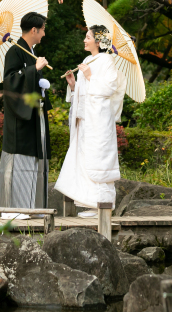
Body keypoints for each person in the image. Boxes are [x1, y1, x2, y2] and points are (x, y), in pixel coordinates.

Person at [55, 25, 126, 218]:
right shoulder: (88, 59)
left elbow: (110, 88)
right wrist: (73, 84)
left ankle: (103, 205)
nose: (84, 40)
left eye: (88, 37)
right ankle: (91, 203)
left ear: (98, 41)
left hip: (99, 120)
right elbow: (85, 91)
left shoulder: (107, 60)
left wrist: (89, 76)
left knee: (99, 158)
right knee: (85, 158)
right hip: (86, 119)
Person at [0, 12, 52, 220]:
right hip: (20, 117)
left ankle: (31, 207)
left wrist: (41, 85)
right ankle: (14, 208)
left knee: (34, 160)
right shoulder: (15, 51)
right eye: (43, 29)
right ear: (34, 30)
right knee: (20, 159)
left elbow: (30, 81)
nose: (44, 34)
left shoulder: (29, 52)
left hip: (34, 114)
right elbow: (10, 81)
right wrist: (32, 70)